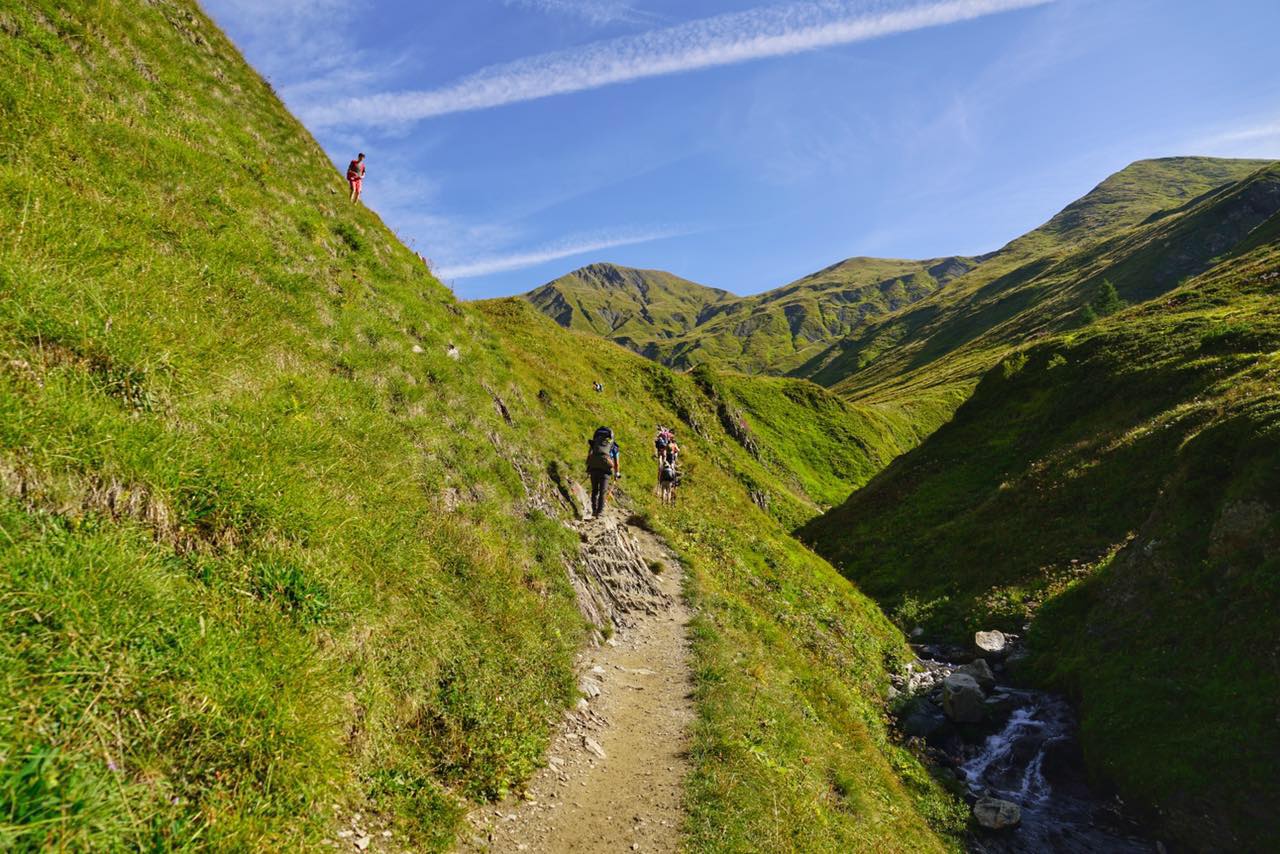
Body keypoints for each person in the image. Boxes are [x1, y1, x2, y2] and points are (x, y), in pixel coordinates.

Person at [585, 426, 618, 518]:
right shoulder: (613, 446)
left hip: (594, 468)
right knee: (602, 491)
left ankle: (594, 509)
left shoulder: (595, 444)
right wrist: (617, 473)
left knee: (594, 490)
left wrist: (588, 468)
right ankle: (600, 512)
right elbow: (616, 463)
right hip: (605, 471)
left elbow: (589, 456)